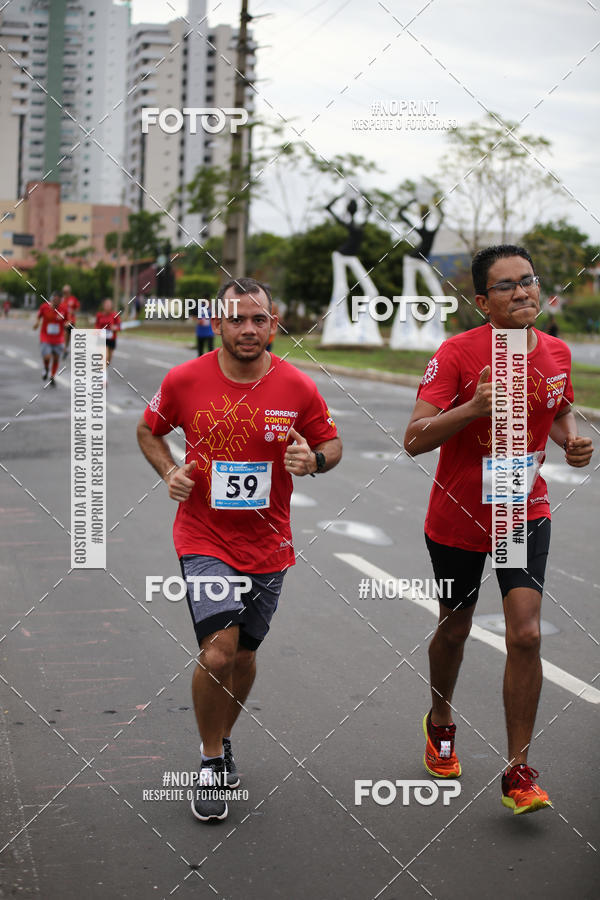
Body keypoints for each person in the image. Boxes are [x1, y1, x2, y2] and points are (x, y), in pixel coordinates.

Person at [137, 276, 342, 822]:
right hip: (202, 537)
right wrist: (170, 472)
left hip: (269, 543)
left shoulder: (296, 386)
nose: (248, 329)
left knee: (246, 656)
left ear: (274, 325)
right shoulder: (184, 379)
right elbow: (149, 430)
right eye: (237, 319)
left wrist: (314, 461)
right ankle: (209, 760)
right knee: (218, 653)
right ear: (218, 324)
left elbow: (331, 442)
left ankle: (223, 737)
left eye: (259, 319)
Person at [403, 245, 593, 815]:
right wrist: (472, 409)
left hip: (521, 511)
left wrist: (571, 440)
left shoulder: (556, 352)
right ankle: (440, 718)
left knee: (526, 634)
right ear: (483, 301)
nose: (522, 293)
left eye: (528, 281)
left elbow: (558, 408)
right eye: (506, 286)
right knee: (455, 631)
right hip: (458, 517)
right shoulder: (458, 354)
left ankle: (518, 769)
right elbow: (414, 438)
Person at [33, 292, 65, 386]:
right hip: (45, 336)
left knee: (56, 358)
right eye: (54, 300)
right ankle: (46, 368)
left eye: (58, 300)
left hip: (58, 338)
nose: (56, 302)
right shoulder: (44, 307)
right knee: (47, 357)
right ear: (51, 299)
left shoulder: (63, 309)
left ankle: (52, 376)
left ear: (60, 301)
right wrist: (37, 323)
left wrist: (67, 324)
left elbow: (68, 319)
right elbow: (39, 317)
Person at [95, 298, 121, 369]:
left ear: (111, 306)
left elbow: (119, 326)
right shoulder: (99, 315)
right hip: (102, 338)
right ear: (103, 306)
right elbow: (97, 325)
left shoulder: (115, 315)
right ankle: (102, 375)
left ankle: (102, 370)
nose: (107, 306)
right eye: (106, 305)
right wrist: (98, 331)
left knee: (108, 360)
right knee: (105, 357)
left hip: (112, 339)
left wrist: (115, 328)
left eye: (109, 305)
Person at [59, 284, 80, 358]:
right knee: (65, 334)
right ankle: (64, 349)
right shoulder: (61, 299)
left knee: (68, 337)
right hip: (63, 321)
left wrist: (73, 311)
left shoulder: (73, 299)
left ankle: (66, 348)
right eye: (64, 291)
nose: (65, 293)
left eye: (67, 291)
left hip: (71, 321)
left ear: (69, 292)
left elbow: (77, 308)